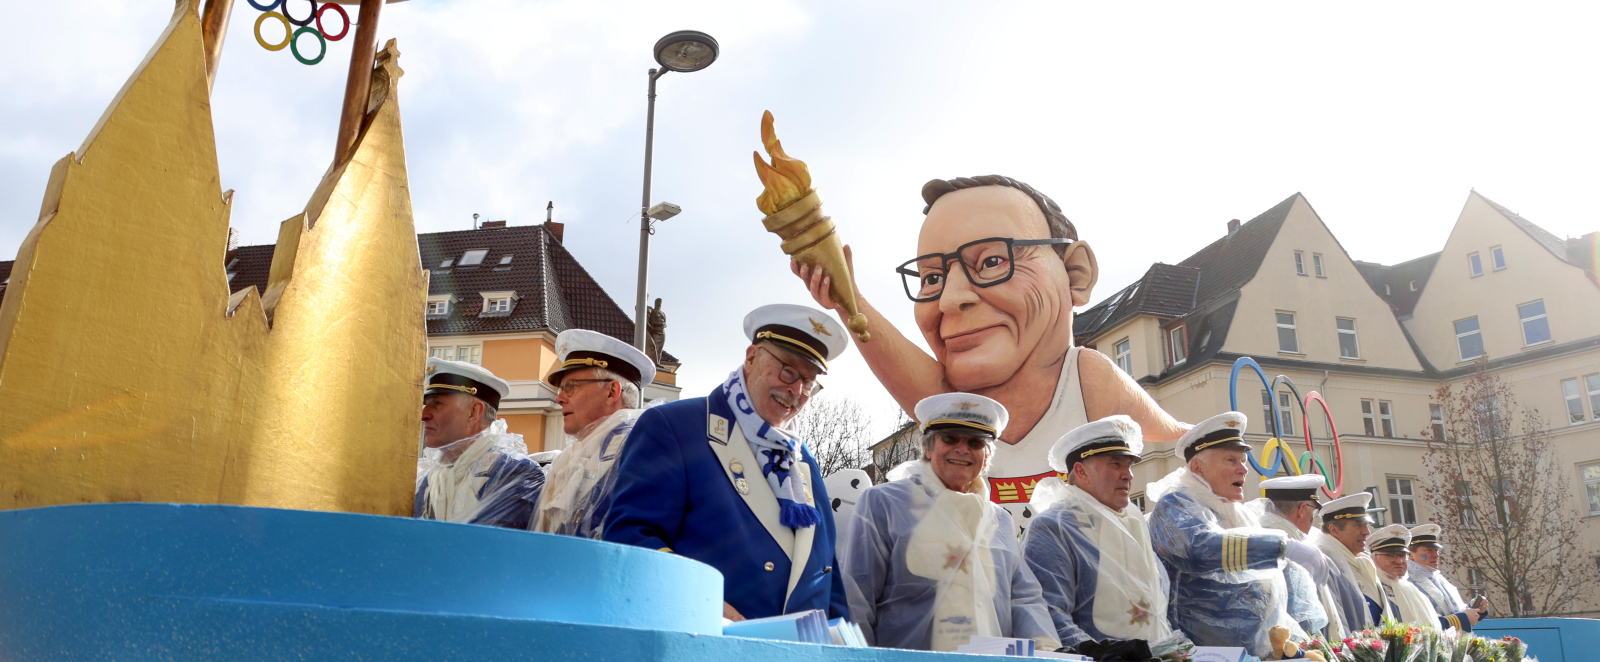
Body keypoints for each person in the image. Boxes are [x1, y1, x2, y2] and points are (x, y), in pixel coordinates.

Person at [792, 175, 1185, 530]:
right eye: (932, 278)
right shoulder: (950, 404)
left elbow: (1181, 438)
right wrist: (847, 299)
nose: (950, 299)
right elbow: (893, 358)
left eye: (993, 261)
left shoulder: (1085, 379)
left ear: (1075, 274)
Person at [604, 304, 849, 622]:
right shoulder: (676, 427)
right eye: (789, 371)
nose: (797, 390)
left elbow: (829, 581)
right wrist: (701, 600)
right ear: (751, 357)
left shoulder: (803, 463)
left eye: (809, 382)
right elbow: (629, 539)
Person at [843, 393, 1057, 652]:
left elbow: (1024, 597)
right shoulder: (883, 503)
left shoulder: (999, 518)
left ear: (987, 456)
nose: (963, 449)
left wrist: (1048, 651)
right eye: (950, 438)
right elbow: (856, 598)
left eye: (976, 442)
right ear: (928, 447)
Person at [1146, 412, 1331, 658]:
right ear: (1197, 467)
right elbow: (1198, 549)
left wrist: (1298, 642)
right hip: (1201, 654)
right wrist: (1281, 547)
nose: (1243, 470)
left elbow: (1271, 590)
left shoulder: (1239, 514)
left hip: (1253, 653)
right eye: (1231, 460)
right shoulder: (1176, 504)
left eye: (1243, 461)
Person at [1022, 416, 1179, 653]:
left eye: (1129, 465)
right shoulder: (1054, 526)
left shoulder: (1133, 522)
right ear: (1081, 471)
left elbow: (1157, 611)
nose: (1128, 475)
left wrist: (1175, 653)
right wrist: (1099, 656)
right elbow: (1048, 613)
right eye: (1116, 464)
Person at [529, 329, 655, 538]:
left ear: (611, 392)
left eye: (570, 387)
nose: (559, 399)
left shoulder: (643, 450)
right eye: (560, 389)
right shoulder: (566, 461)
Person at [416, 358, 546, 529]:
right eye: (426, 404)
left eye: (437, 404)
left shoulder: (514, 473)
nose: (424, 415)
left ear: (474, 412)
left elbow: (483, 549)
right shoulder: (427, 479)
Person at [1253, 475, 1351, 639]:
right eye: (1314, 510)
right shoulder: (1291, 550)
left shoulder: (1265, 539)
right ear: (1302, 509)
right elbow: (1303, 621)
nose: (1314, 518)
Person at [1367, 525, 1480, 632]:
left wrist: (1474, 610)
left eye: (1402, 556)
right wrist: (1461, 619)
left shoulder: (1410, 589)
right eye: (1390, 555)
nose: (1399, 561)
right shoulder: (1372, 588)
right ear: (1373, 558)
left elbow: (1430, 624)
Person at [1312, 493, 1387, 630]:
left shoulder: (1363, 563)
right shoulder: (1325, 564)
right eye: (1359, 525)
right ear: (1334, 530)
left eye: (1366, 525)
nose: (1366, 532)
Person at [1407, 523, 1486, 620]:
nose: (1436, 555)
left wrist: (1474, 608)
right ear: (1410, 554)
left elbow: (1453, 612)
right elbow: (1424, 621)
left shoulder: (1437, 577)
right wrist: (1462, 618)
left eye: (1437, 551)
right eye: (1429, 550)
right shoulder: (1408, 580)